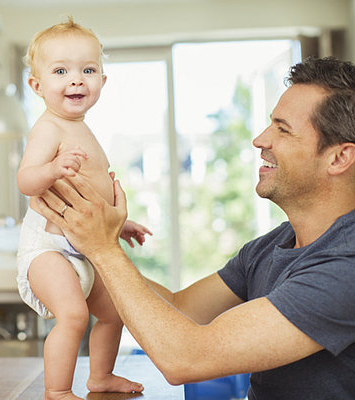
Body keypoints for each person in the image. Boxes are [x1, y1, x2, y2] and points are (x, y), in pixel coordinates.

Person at [35, 56, 355, 399]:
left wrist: (103, 248)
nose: (260, 140)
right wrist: (76, 256)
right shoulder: (274, 245)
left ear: (338, 158)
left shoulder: (345, 266)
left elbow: (186, 358)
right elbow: (180, 307)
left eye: (283, 129)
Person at [16, 17, 151, 400]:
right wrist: (52, 169)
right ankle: (57, 391)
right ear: (37, 86)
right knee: (73, 316)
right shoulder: (48, 128)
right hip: (48, 249)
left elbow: (92, 194)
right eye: (61, 71)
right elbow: (26, 181)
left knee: (115, 311)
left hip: (88, 247)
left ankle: (100, 377)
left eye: (87, 70)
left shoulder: (83, 128)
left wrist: (120, 225)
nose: (76, 80)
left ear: (102, 83)